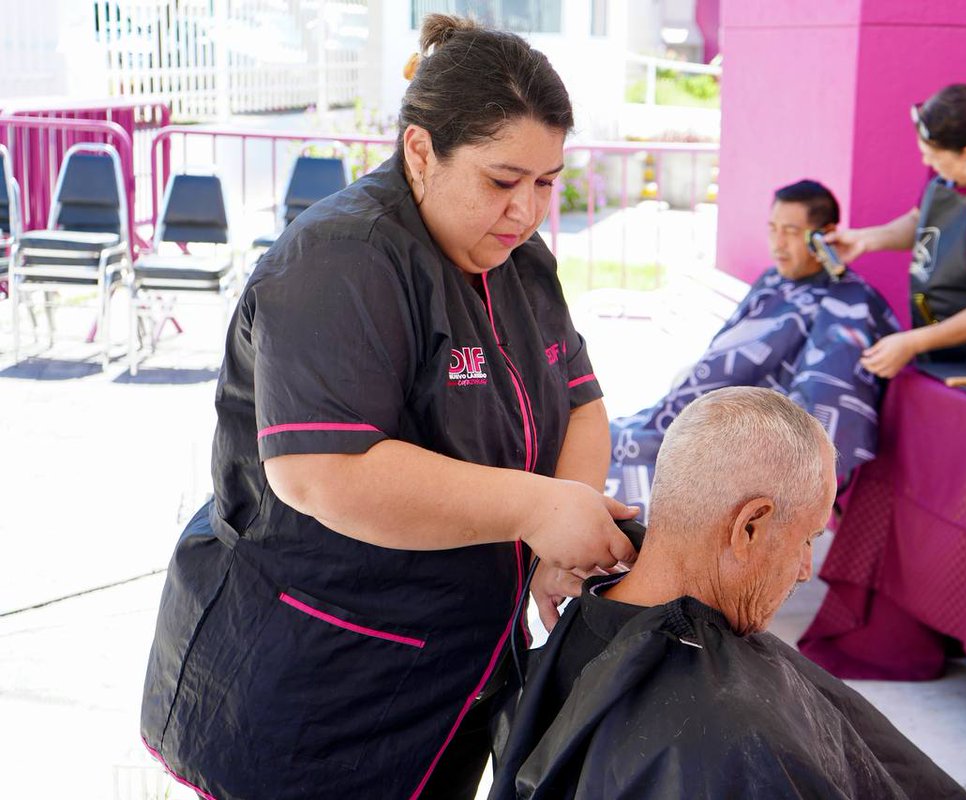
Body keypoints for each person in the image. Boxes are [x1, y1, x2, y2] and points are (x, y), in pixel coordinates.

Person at [140, 15, 638, 800]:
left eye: (547, 182)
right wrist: (535, 505)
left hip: (455, 672)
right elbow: (324, 473)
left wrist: (557, 537)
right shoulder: (341, 259)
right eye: (502, 181)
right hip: (317, 679)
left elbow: (579, 403)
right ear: (419, 151)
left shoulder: (522, 262)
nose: (527, 211)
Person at [490, 387, 966, 799]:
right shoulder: (732, 734)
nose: (806, 571)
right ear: (749, 527)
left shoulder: (575, 629)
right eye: (808, 539)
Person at [606, 180, 899, 514]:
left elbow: (824, 396)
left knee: (641, 473)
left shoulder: (850, 302)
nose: (778, 242)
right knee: (607, 446)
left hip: (750, 440)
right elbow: (728, 348)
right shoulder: (773, 280)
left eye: (791, 231)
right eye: (773, 228)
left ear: (826, 234)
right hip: (703, 412)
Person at [826, 84, 966, 377]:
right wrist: (864, 240)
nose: (927, 163)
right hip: (933, 337)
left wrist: (912, 343)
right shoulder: (954, 156)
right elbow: (919, 223)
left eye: (932, 157)